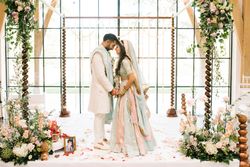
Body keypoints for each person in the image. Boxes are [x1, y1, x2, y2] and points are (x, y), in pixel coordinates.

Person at [110, 40, 156, 156]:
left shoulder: (125, 60)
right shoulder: (121, 60)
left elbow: (132, 77)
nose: (115, 49)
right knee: (123, 115)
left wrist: (123, 89)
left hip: (127, 92)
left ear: (123, 48)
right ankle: (124, 141)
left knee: (127, 115)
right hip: (125, 90)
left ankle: (131, 143)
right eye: (114, 47)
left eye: (117, 47)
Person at [88, 33, 119, 150]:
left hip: (103, 90)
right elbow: (100, 75)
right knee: (99, 115)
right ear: (107, 41)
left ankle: (102, 138)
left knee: (102, 114)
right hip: (100, 90)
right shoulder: (98, 54)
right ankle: (98, 141)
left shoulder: (105, 53)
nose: (113, 47)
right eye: (113, 44)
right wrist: (111, 89)